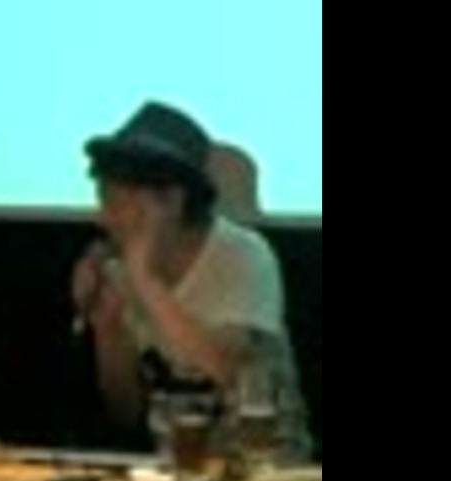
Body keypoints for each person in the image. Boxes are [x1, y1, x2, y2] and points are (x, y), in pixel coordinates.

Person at [72, 101, 312, 460]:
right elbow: (124, 412)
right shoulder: (121, 272)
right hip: (178, 474)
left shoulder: (243, 254)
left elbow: (222, 367)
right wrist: (107, 329)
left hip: (267, 476)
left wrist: (146, 279)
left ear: (171, 201)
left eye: (116, 203)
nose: (103, 219)